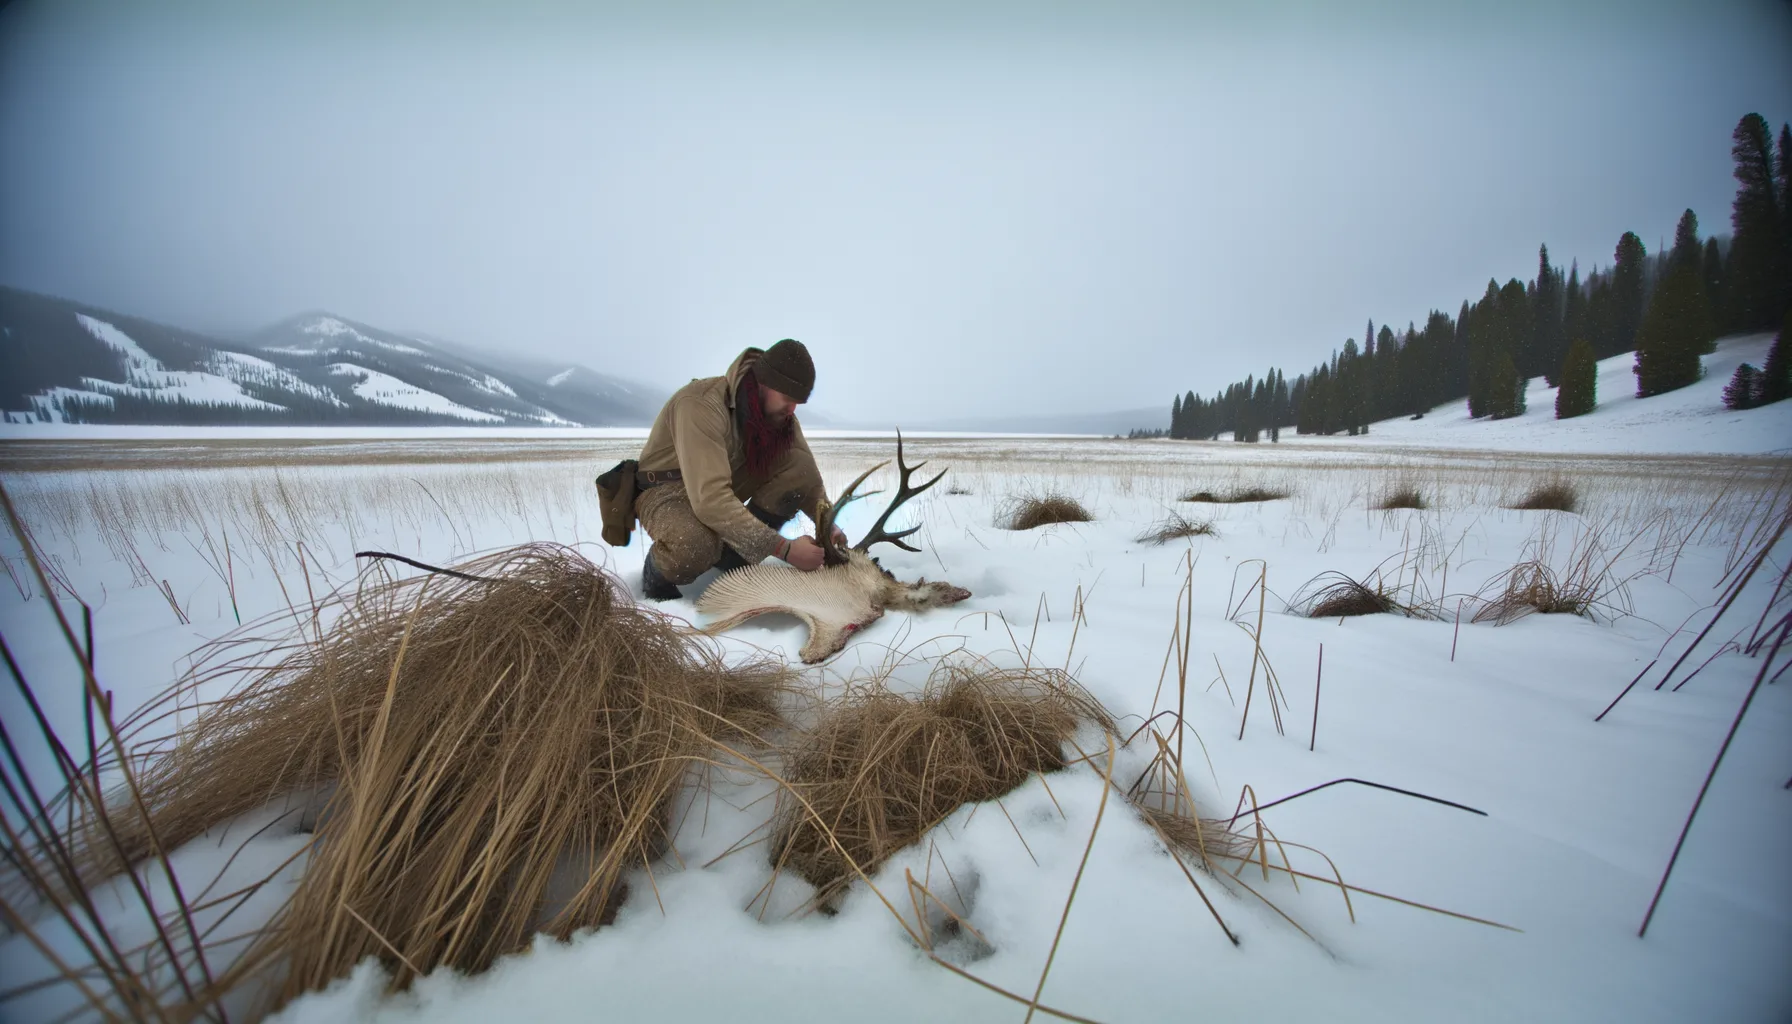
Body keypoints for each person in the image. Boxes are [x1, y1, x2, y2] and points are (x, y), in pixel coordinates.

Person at [625, 338, 843, 601]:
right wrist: (784, 550)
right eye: (788, 398)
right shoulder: (700, 404)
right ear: (764, 383)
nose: (793, 409)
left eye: (799, 402)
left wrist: (828, 526)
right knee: (694, 545)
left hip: (717, 486)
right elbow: (711, 500)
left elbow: (807, 476)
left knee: (797, 467)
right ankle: (657, 579)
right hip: (665, 490)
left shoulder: (779, 416)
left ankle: (732, 560)